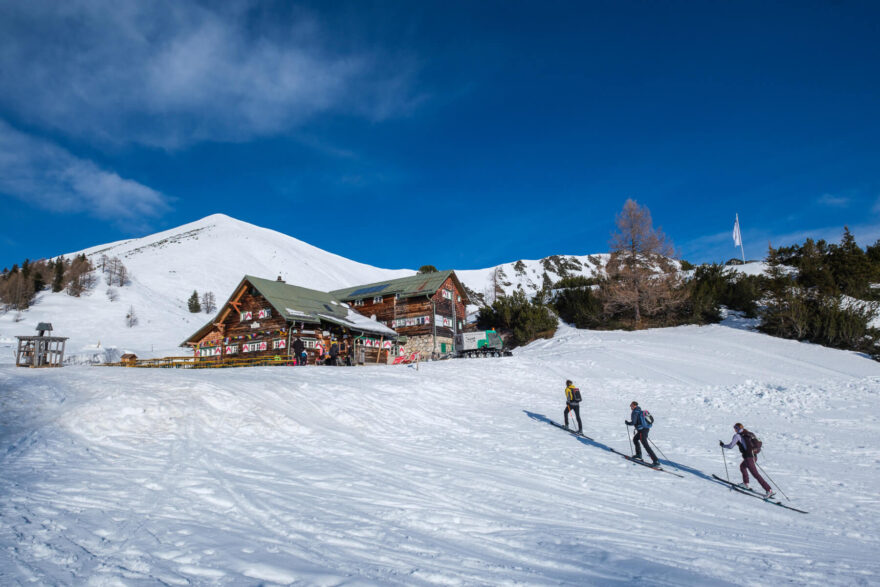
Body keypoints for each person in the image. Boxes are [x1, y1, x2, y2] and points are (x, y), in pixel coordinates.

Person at [720, 423, 774, 498]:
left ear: (737, 429)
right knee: (742, 466)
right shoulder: (748, 433)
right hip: (754, 456)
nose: (734, 430)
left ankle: (769, 490)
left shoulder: (737, 436)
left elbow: (730, 446)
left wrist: (723, 445)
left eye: (735, 428)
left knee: (756, 474)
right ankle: (745, 483)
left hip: (749, 458)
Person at [625, 401, 658, 466]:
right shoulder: (640, 411)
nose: (630, 407)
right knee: (635, 439)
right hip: (644, 429)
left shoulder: (635, 412)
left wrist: (628, 423)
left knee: (645, 445)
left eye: (631, 405)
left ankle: (655, 460)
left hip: (642, 430)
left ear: (634, 405)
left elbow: (633, 422)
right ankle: (638, 455)